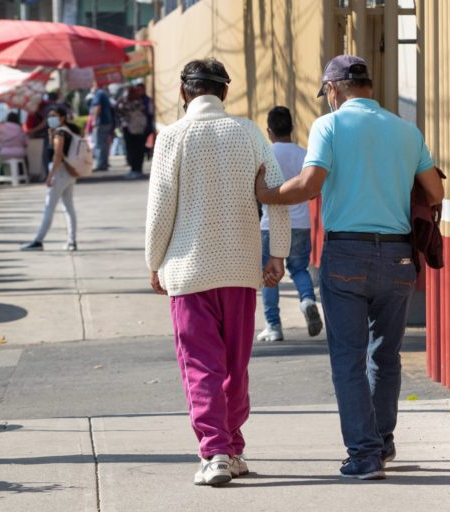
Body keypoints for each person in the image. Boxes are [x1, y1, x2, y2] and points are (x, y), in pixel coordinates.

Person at [255, 55, 445, 480]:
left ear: (334, 89)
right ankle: (383, 440)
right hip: (398, 258)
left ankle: (363, 454)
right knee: (386, 354)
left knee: (348, 358)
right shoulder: (406, 129)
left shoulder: (331, 125)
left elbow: (308, 185)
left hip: (347, 255)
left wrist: (266, 194)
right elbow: (433, 190)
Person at [145, 58, 290, 486]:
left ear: (184, 91)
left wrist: (153, 262)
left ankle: (214, 452)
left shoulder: (172, 136)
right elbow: (276, 193)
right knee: (234, 364)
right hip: (242, 268)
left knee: (200, 364)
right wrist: (277, 254)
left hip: (188, 272)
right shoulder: (248, 133)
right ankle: (232, 445)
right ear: (223, 92)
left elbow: (160, 210)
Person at [256, 105, 323, 342]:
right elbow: (313, 188)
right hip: (301, 222)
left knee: (269, 275)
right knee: (299, 269)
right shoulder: (303, 154)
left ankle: (273, 326)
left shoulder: (264, 154)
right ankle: (307, 300)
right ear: (291, 129)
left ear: (269, 131)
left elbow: (256, 189)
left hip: (270, 224)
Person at [21, 105, 81, 252]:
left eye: (54, 116)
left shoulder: (60, 133)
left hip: (59, 172)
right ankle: (71, 241)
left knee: (49, 207)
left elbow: (58, 155)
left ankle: (38, 240)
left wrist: (50, 175)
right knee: (68, 207)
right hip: (69, 173)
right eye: (49, 116)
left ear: (62, 117)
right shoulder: (68, 131)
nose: (51, 119)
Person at [116, 84, 153, 179]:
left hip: (130, 129)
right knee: (138, 150)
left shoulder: (127, 101)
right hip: (140, 129)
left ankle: (135, 169)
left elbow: (119, 112)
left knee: (132, 150)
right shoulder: (141, 102)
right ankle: (137, 169)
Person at [89, 82, 114, 171]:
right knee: (104, 144)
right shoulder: (104, 93)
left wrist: (94, 120)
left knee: (100, 144)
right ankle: (104, 162)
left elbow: (97, 107)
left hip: (101, 122)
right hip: (107, 121)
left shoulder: (99, 94)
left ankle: (101, 164)